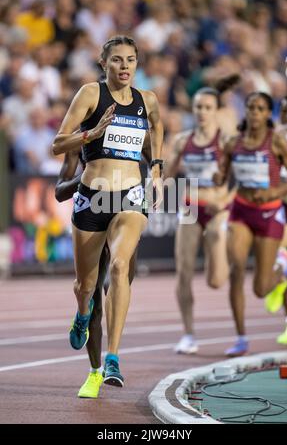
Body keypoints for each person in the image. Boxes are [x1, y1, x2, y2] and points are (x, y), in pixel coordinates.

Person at [52, 35, 163, 387]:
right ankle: (82, 314)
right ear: (104, 64)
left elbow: (157, 126)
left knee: (119, 266)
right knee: (85, 286)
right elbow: (58, 144)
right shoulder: (90, 94)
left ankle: (112, 358)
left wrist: (157, 170)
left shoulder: (148, 100)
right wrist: (91, 134)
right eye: (117, 60)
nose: (125, 66)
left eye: (131, 59)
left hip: (130, 195)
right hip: (92, 198)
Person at [55, 133, 152, 398]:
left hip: (126, 207)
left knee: (118, 276)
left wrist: (157, 173)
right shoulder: (79, 142)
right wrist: (88, 179)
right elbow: (59, 191)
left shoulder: (129, 132)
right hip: (91, 210)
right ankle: (95, 371)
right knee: (92, 292)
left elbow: (155, 159)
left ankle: (113, 359)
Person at [214, 91, 287, 357]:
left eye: (260, 108)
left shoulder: (277, 142)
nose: (255, 112)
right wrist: (217, 177)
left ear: (269, 114)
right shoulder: (234, 143)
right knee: (236, 269)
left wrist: (274, 193)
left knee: (260, 289)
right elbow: (222, 175)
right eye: (250, 107)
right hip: (242, 211)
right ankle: (241, 337)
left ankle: (281, 268)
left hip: (269, 216)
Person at [164, 86, 236, 355]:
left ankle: (217, 263)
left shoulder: (227, 141)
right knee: (183, 272)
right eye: (198, 107)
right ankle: (188, 333)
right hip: (191, 207)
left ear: (216, 111)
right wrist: (156, 190)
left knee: (216, 281)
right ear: (192, 110)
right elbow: (167, 174)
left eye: (207, 107)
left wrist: (227, 200)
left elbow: (245, 180)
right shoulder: (184, 140)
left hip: (218, 207)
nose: (202, 112)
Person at [266, 96, 287, 344]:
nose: (286, 114)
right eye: (283, 110)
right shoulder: (273, 137)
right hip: (279, 207)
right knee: (281, 256)